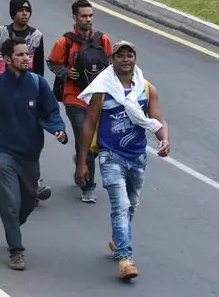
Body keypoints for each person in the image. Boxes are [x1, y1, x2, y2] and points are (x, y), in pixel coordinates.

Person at [75, 41, 169, 281]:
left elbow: (157, 119)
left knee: (132, 204)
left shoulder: (147, 89)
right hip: (110, 156)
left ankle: (118, 239)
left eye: (130, 56)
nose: (126, 60)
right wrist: (82, 161)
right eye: (121, 56)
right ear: (112, 60)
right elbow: (89, 125)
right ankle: (126, 259)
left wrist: (164, 139)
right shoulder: (102, 91)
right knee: (121, 206)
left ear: (135, 59)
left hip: (137, 156)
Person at [0, 37, 68, 271]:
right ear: (7, 59)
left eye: (27, 54)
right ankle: (16, 250)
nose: (26, 58)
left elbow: (51, 111)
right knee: (10, 202)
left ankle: (12, 225)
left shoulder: (38, 84)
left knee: (27, 202)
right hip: (4, 152)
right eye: (20, 55)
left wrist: (59, 129)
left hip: (30, 153)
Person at [0, 0, 50, 197]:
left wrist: (41, 96)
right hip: (2, 92)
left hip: (27, 93)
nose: (25, 13)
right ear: (13, 12)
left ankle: (32, 179)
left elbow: (40, 70)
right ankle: (2, 172)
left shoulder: (36, 36)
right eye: (20, 9)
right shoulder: (0, 33)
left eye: (28, 9)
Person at [46, 0, 112, 203]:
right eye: (83, 16)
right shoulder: (64, 42)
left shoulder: (103, 40)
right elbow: (52, 62)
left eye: (90, 15)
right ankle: (88, 186)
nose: (88, 19)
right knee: (85, 136)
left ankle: (80, 163)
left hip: (98, 98)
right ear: (75, 17)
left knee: (97, 141)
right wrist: (67, 73)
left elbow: (111, 63)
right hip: (74, 97)